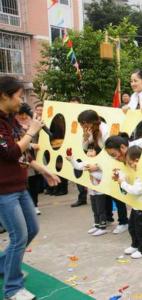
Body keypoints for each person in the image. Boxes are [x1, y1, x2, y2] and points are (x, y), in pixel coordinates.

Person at [0, 76, 60, 300]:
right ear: (4, 96)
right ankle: (12, 289)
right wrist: (32, 130)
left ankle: (3, 265)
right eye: (18, 96)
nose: (20, 101)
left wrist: (43, 170)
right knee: (18, 237)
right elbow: (11, 152)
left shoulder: (10, 119)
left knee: (32, 229)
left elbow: (23, 154)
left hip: (19, 184)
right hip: (3, 190)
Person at [113, 146, 142, 259]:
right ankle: (135, 244)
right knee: (132, 227)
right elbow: (128, 176)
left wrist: (123, 184)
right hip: (136, 207)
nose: (131, 166)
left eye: (132, 163)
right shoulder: (136, 171)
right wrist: (121, 177)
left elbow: (136, 190)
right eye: (130, 163)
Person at [67, 144, 107, 236]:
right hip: (92, 191)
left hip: (100, 191)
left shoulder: (100, 163)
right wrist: (71, 159)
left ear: (98, 152)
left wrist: (91, 172)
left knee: (101, 210)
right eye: (88, 150)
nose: (89, 153)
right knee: (94, 209)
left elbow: (102, 176)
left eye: (92, 150)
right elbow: (77, 166)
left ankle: (102, 227)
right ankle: (97, 225)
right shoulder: (87, 162)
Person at [15, 104, 42, 215]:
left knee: (32, 181)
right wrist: (30, 144)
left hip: (31, 157)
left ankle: (34, 205)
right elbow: (15, 144)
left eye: (25, 115)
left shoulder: (33, 123)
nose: (23, 117)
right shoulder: (13, 126)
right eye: (20, 115)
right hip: (19, 159)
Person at [68, 97, 88, 208]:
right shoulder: (68, 118)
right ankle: (82, 197)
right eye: (71, 105)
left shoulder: (85, 118)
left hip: (85, 150)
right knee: (77, 173)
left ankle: (98, 199)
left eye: (75, 105)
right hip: (74, 150)